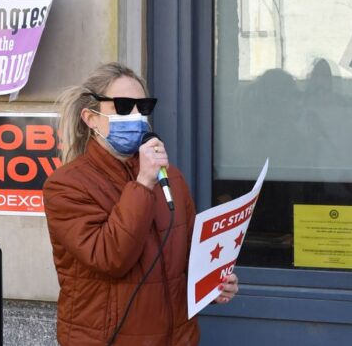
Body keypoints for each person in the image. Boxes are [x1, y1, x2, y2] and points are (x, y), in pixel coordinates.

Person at [43, 63, 239, 345]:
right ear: (91, 118)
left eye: (143, 106)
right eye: (123, 106)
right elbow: (109, 258)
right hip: (107, 338)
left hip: (176, 337)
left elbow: (189, 257)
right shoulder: (67, 185)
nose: (136, 116)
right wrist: (143, 183)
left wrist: (215, 283)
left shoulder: (170, 177)